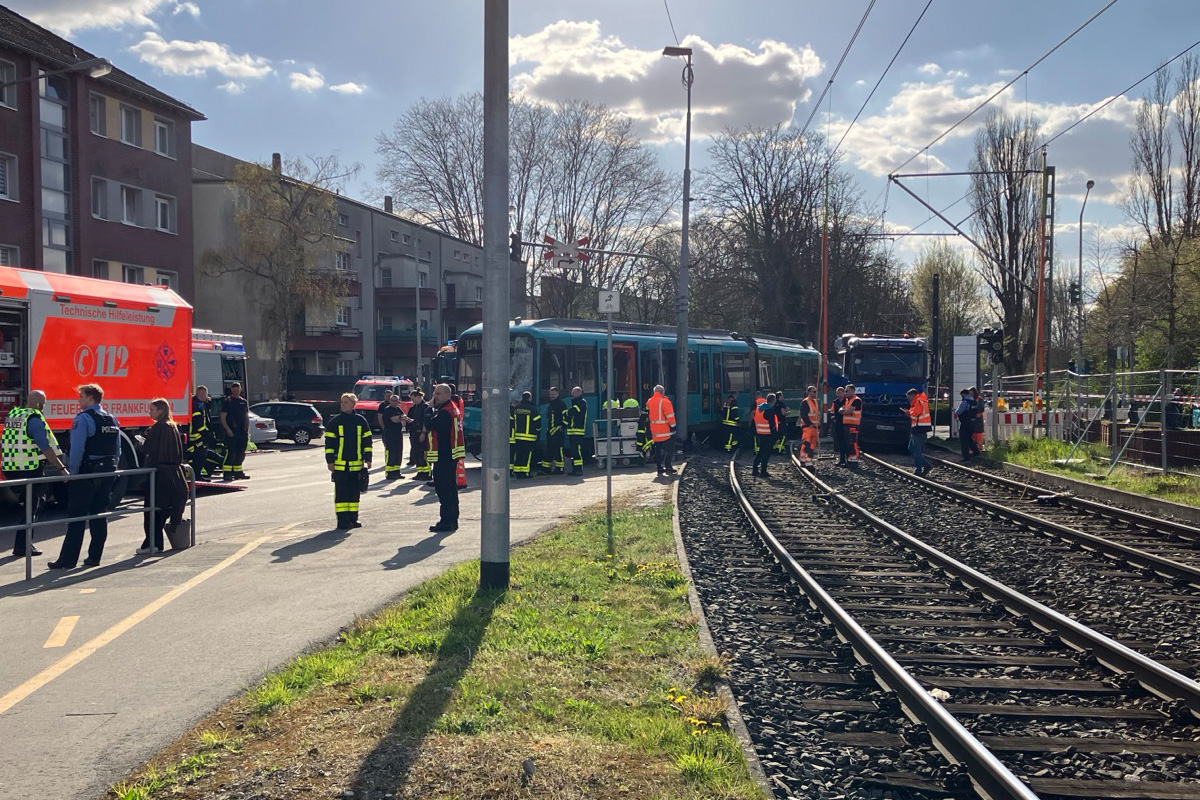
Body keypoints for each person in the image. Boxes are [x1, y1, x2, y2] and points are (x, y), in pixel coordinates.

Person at [48, 384, 120, 569]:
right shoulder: (111, 419)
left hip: (87, 473)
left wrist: (73, 473)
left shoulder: (83, 419)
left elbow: (77, 450)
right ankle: (94, 557)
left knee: (76, 518)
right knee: (99, 515)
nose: (78, 400)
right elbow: (117, 450)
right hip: (107, 472)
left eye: (81, 396)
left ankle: (67, 560)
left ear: (90, 397)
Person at [2, 390, 67, 556]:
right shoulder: (35, 420)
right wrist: (61, 468)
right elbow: (45, 447)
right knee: (32, 506)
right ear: (38, 404)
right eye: (43, 404)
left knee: (29, 504)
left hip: (10, 468)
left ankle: (23, 545)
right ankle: (23, 546)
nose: (43, 407)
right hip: (29, 469)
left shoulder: (14, 415)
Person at [139, 398, 188, 553]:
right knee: (163, 509)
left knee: (152, 509)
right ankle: (155, 543)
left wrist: (142, 443)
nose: (149, 413)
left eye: (152, 410)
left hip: (159, 473)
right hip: (173, 472)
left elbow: (149, 449)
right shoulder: (173, 426)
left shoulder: (158, 427)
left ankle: (152, 543)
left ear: (161, 411)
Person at [325, 392, 372, 531]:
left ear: (353, 404)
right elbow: (329, 444)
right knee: (341, 494)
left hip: (356, 465)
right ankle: (342, 521)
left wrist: (368, 458)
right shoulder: (335, 422)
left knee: (354, 494)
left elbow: (367, 441)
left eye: (346, 402)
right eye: (342, 402)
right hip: (340, 465)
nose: (343, 405)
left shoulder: (361, 421)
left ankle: (353, 518)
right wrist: (330, 461)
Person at [427, 383, 463, 532]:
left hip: (444, 455)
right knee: (451, 489)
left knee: (444, 489)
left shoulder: (445, 412)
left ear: (448, 395)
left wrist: (428, 410)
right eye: (434, 393)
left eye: (438, 394)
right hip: (450, 454)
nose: (435, 396)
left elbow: (430, 424)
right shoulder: (451, 408)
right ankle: (452, 520)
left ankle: (447, 521)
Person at [220, 382, 250, 481]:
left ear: (240, 390)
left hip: (242, 432)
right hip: (232, 432)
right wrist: (228, 429)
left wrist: (247, 429)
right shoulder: (227, 401)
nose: (236, 391)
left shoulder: (244, 402)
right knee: (231, 453)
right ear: (232, 390)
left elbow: (246, 416)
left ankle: (238, 473)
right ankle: (227, 474)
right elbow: (223, 417)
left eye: (238, 389)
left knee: (241, 453)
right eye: (234, 389)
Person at [646, 384, 677, 475]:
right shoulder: (666, 402)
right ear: (662, 392)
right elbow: (670, 416)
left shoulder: (649, 401)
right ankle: (668, 466)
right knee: (670, 448)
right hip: (665, 431)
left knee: (658, 449)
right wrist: (673, 426)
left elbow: (648, 411)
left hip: (654, 430)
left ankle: (659, 467)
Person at [511, 391, 541, 478]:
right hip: (529, 437)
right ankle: (524, 473)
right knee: (526, 456)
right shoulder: (533, 409)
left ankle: (517, 472)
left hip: (517, 437)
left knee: (518, 454)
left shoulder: (515, 409)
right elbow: (538, 424)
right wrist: (537, 432)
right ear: (529, 398)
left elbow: (511, 422)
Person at [380, 393, 408, 479]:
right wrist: (401, 418)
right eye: (394, 401)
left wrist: (401, 417)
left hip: (398, 434)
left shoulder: (398, 409)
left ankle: (396, 472)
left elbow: (404, 416)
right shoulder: (388, 409)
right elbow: (394, 420)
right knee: (391, 453)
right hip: (390, 434)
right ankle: (390, 473)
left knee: (398, 452)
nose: (395, 402)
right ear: (390, 401)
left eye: (397, 401)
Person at [540, 386, 567, 475]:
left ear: (557, 394)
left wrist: (562, 427)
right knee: (549, 449)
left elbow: (566, 417)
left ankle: (560, 468)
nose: (551, 396)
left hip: (558, 432)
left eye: (553, 394)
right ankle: (546, 468)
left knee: (558, 450)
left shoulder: (561, 404)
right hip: (550, 431)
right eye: (550, 394)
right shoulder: (551, 404)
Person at [187, 385, 210, 481]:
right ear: (202, 393)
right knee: (199, 456)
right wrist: (205, 433)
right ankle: (197, 475)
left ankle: (196, 474)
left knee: (197, 456)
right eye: (206, 394)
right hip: (196, 435)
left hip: (197, 435)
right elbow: (197, 420)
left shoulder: (199, 403)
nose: (207, 396)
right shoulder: (196, 404)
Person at [907, 386, 932, 476]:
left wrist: (908, 413)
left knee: (916, 450)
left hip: (918, 428)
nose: (908, 399)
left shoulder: (918, 401)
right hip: (919, 428)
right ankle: (926, 465)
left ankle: (919, 469)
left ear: (913, 395)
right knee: (911, 448)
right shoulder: (920, 401)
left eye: (909, 397)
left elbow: (915, 414)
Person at [752, 393, 777, 477]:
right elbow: (772, 424)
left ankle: (755, 470)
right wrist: (775, 436)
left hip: (760, 432)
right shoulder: (769, 410)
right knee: (767, 453)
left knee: (761, 452)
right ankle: (763, 471)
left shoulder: (759, 408)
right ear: (773, 400)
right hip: (768, 434)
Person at [407, 391, 429, 480]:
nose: (412, 401)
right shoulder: (416, 407)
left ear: (418, 396)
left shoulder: (425, 407)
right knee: (417, 454)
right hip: (415, 433)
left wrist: (423, 433)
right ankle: (420, 472)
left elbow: (426, 421)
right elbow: (417, 420)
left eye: (413, 398)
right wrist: (410, 421)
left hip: (421, 433)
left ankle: (426, 474)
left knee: (423, 454)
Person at [566, 386, 588, 477]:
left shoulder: (582, 402)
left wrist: (567, 412)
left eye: (574, 392)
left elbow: (572, 412)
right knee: (574, 451)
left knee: (577, 451)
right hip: (572, 431)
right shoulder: (576, 402)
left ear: (579, 393)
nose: (572, 394)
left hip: (578, 431)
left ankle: (579, 469)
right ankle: (575, 469)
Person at [954, 389, 980, 461]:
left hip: (965, 423)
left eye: (961, 395)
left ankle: (966, 457)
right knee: (969, 438)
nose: (961, 396)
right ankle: (976, 452)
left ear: (964, 394)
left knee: (963, 439)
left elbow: (958, 412)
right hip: (972, 422)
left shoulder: (965, 401)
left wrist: (956, 411)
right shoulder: (973, 401)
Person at [840, 384, 863, 464]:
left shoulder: (856, 400)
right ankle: (850, 459)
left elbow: (847, 411)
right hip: (847, 425)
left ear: (852, 391)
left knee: (852, 443)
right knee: (848, 443)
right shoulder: (847, 401)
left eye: (846, 391)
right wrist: (844, 411)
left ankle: (854, 460)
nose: (845, 393)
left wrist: (844, 411)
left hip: (853, 425)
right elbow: (841, 409)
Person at [798, 385, 820, 468]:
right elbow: (803, 414)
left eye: (816, 392)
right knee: (807, 443)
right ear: (809, 392)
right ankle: (807, 461)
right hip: (808, 426)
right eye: (813, 392)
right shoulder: (805, 402)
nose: (815, 393)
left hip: (814, 427)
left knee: (812, 444)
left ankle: (805, 459)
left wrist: (818, 426)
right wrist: (809, 423)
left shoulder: (815, 402)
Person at [830, 386, 848, 466]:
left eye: (840, 393)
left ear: (844, 393)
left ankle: (848, 458)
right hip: (838, 424)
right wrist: (833, 418)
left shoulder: (847, 401)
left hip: (846, 424)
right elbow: (832, 412)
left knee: (846, 442)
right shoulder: (835, 402)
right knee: (840, 442)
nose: (838, 395)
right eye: (837, 393)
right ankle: (842, 459)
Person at [970, 387, 986, 453]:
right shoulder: (970, 400)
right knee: (972, 435)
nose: (971, 395)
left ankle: (979, 449)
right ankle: (973, 450)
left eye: (972, 393)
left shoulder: (979, 400)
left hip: (978, 421)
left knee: (979, 435)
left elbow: (981, 409)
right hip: (972, 421)